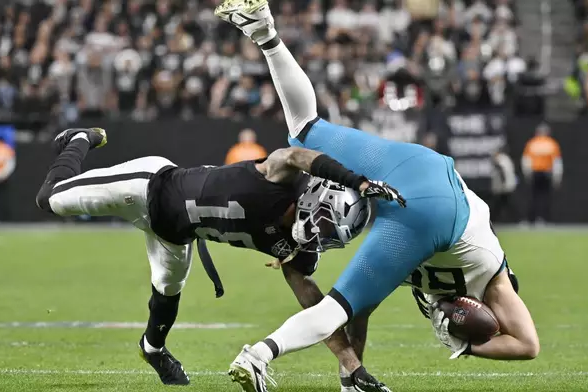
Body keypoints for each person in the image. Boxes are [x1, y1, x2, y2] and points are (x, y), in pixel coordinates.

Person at [215, 3, 540, 392]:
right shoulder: (494, 277)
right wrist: (467, 346)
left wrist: (351, 372)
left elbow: (364, 309)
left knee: (304, 127)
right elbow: (528, 345)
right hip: (434, 214)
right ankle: (258, 356)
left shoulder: (477, 275)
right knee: (337, 306)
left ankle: (264, 32)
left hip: (422, 165)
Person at [35, 127, 402, 389]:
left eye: (331, 238)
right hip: (147, 187)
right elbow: (296, 154)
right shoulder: (280, 177)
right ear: (321, 196)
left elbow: (319, 311)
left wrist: (350, 364)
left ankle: (153, 349)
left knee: (167, 291)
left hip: (175, 233)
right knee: (49, 199)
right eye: (326, 225)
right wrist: (358, 181)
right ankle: (79, 139)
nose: (321, 237)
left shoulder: (295, 247)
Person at [521, 123, 562, 225]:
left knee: (533, 196)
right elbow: (557, 162)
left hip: (535, 173)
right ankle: (543, 219)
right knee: (545, 197)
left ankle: (531, 219)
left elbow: (526, 160)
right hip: (546, 173)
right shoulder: (552, 143)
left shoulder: (532, 143)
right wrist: (557, 177)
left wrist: (527, 173)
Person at [490, 147, 519, 222]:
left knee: (500, 204)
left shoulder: (501, 159)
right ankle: (515, 219)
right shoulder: (506, 159)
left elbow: (502, 172)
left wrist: (503, 184)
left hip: (504, 186)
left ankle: (494, 219)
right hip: (507, 185)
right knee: (503, 204)